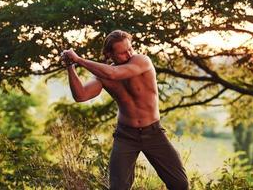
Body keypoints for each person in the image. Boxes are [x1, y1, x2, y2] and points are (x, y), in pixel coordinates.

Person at [61, 30, 189, 190]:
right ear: (109, 54)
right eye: (123, 52)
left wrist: (79, 59)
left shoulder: (142, 61)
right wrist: (70, 66)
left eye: (130, 49)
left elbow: (114, 74)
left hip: (153, 133)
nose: (129, 54)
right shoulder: (103, 75)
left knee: (180, 184)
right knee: (118, 187)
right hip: (125, 135)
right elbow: (81, 95)